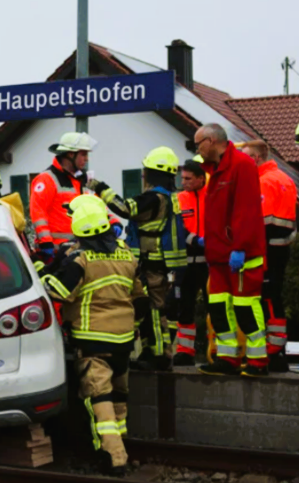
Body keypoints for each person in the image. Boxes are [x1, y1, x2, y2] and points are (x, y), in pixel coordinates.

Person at [41, 196, 148, 476]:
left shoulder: (81, 260)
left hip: (92, 343)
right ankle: (122, 442)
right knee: (119, 394)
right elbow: (141, 300)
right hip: (125, 341)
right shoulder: (127, 255)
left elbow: (57, 292)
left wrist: (45, 269)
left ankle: (114, 457)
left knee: (99, 398)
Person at [87, 147, 186, 371]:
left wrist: (100, 188)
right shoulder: (171, 197)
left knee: (154, 308)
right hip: (166, 263)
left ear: (153, 172)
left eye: (146, 171)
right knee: (152, 307)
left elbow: (125, 209)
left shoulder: (153, 198)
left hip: (154, 262)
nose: (144, 175)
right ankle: (153, 352)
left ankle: (159, 355)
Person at [193, 124, 268, 377]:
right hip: (219, 255)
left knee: (245, 307)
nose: (197, 150)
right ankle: (227, 358)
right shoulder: (215, 169)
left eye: (198, 144)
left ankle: (258, 362)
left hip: (240, 255)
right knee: (219, 308)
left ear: (211, 141)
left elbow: (246, 210)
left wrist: (240, 247)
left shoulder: (241, 165)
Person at [238, 140, 297, 372]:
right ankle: (277, 348)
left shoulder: (263, 182)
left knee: (266, 300)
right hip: (281, 248)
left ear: (256, 158)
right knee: (275, 298)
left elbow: (259, 223)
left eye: (246, 158)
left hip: (266, 250)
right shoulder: (285, 179)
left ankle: (271, 350)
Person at [30, 132, 122, 263]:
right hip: (57, 253)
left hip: (82, 249)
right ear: (70, 154)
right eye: (83, 154)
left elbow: (97, 207)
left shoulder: (84, 180)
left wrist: (113, 221)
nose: (87, 159)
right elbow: (38, 213)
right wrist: (46, 243)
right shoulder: (46, 179)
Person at [171, 158, 209, 366]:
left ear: (201, 179)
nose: (183, 181)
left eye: (188, 178)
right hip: (187, 262)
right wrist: (194, 240)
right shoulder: (178, 199)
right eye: (182, 178)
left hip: (211, 261)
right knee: (185, 307)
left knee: (215, 308)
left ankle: (217, 351)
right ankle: (185, 351)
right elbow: (177, 228)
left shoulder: (212, 196)